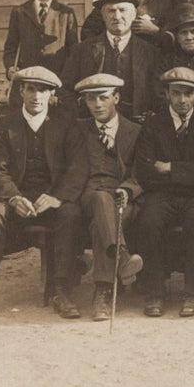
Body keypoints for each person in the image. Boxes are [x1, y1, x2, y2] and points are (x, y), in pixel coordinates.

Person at [0, 67, 86, 319]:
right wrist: (14, 197)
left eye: (42, 90)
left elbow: (77, 168)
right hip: (17, 200)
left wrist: (57, 197)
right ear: (21, 91)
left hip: (50, 200)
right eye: (30, 89)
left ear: (51, 93)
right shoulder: (5, 125)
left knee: (70, 212)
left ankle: (62, 290)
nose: (36, 96)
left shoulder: (66, 124)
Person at [131, 67, 194, 318]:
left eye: (188, 94)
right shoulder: (152, 123)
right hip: (162, 194)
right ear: (167, 94)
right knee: (149, 222)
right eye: (176, 93)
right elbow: (145, 171)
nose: (182, 100)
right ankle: (154, 292)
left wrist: (170, 167)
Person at [72, 73, 146, 321]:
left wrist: (127, 189)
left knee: (102, 222)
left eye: (103, 98)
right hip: (90, 194)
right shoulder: (78, 130)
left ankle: (103, 292)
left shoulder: (135, 131)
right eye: (90, 99)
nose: (97, 105)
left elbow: (140, 171)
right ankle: (123, 259)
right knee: (102, 201)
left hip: (124, 198)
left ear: (116, 97)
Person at [59, 0, 161, 123]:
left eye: (122, 10)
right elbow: (65, 90)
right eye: (111, 11)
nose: (117, 16)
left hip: (138, 129)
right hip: (93, 128)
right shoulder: (83, 50)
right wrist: (82, 118)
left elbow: (159, 96)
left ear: (133, 15)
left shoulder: (150, 53)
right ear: (103, 15)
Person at [3, 0, 78, 108]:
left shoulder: (66, 14)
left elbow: (73, 53)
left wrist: (63, 84)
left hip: (56, 86)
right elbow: (10, 48)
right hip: (27, 85)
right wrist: (10, 68)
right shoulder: (19, 12)